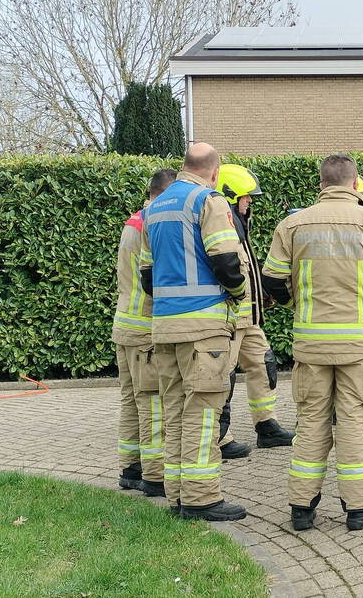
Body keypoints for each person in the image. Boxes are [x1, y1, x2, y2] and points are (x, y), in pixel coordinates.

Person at [262, 154, 363, 532]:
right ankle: (361, 509)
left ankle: (301, 508)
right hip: (360, 346)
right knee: (353, 423)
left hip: (311, 345)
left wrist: (292, 304)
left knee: (311, 420)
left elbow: (271, 281)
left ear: (320, 185)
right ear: (354, 183)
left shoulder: (293, 225)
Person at [139, 142, 249, 522]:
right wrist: (237, 295)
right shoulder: (209, 201)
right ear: (214, 171)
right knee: (203, 414)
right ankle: (201, 498)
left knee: (174, 413)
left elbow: (147, 278)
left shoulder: (153, 208)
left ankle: (177, 497)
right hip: (203, 328)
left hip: (164, 327)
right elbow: (226, 260)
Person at [215, 164, 294, 453]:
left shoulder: (238, 224)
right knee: (223, 375)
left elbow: (246, 269)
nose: (250, 203)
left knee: (264, 364)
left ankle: (267, 426)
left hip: (250, 319)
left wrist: (262, 295)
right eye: (247, 197)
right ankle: (220, 437)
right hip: (231, 318)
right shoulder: (221, 223)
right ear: (230, 194)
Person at [113, 168, 176, 497]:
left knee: (131, 400)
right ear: (167, 193)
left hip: (124, 324)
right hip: (145, 328)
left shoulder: (133, 221)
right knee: (152, 403)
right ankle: (154, 475)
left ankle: (130, 466)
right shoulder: (155, 222)